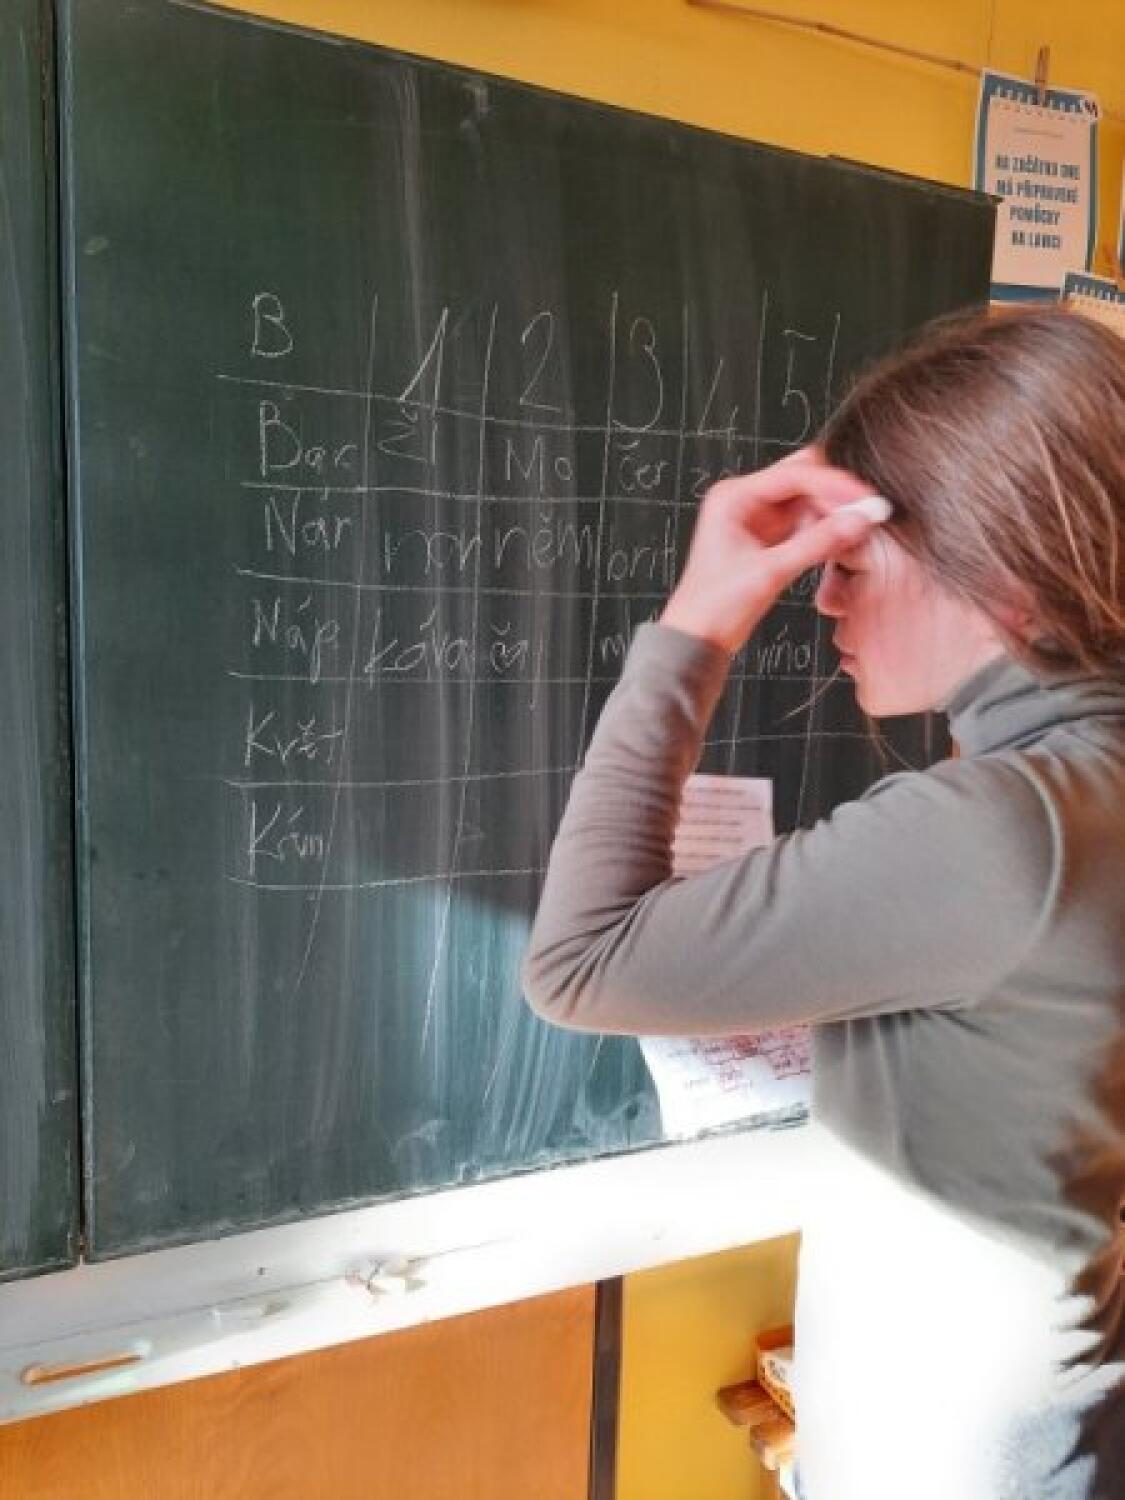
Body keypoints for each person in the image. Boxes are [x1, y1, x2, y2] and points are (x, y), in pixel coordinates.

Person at [521, 305, 1125, 1500]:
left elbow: (578, 963)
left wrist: (699, 622)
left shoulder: (1004, 829)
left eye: (848, 565)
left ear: (999, 572)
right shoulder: (1077, 790)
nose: (823, 602)